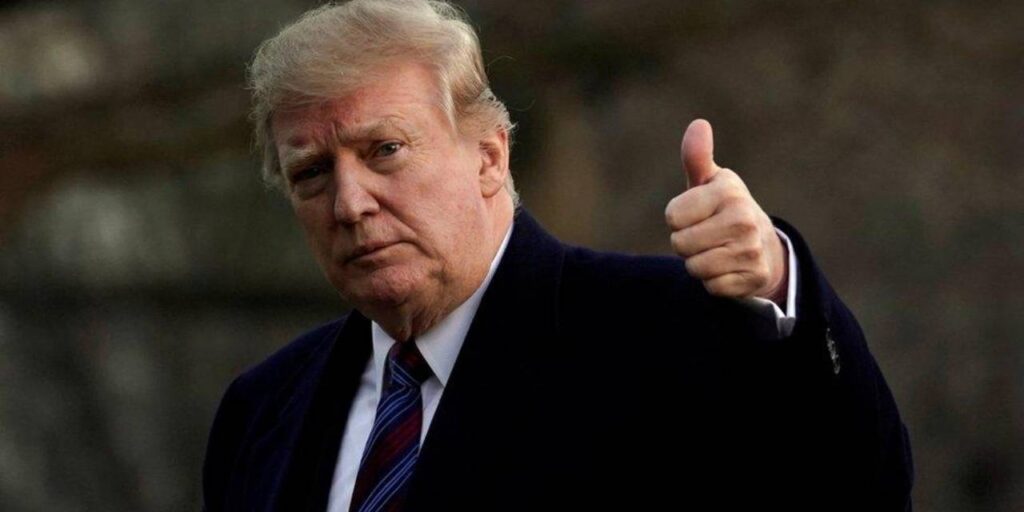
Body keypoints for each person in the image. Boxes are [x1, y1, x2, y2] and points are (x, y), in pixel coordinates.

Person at [202, 0, 913, 510]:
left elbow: (863, 486)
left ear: (489, 157)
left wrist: (779, 282)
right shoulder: (262, 409)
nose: (350, 203)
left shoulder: (665, 330)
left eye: (384, 150)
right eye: (312, 173)